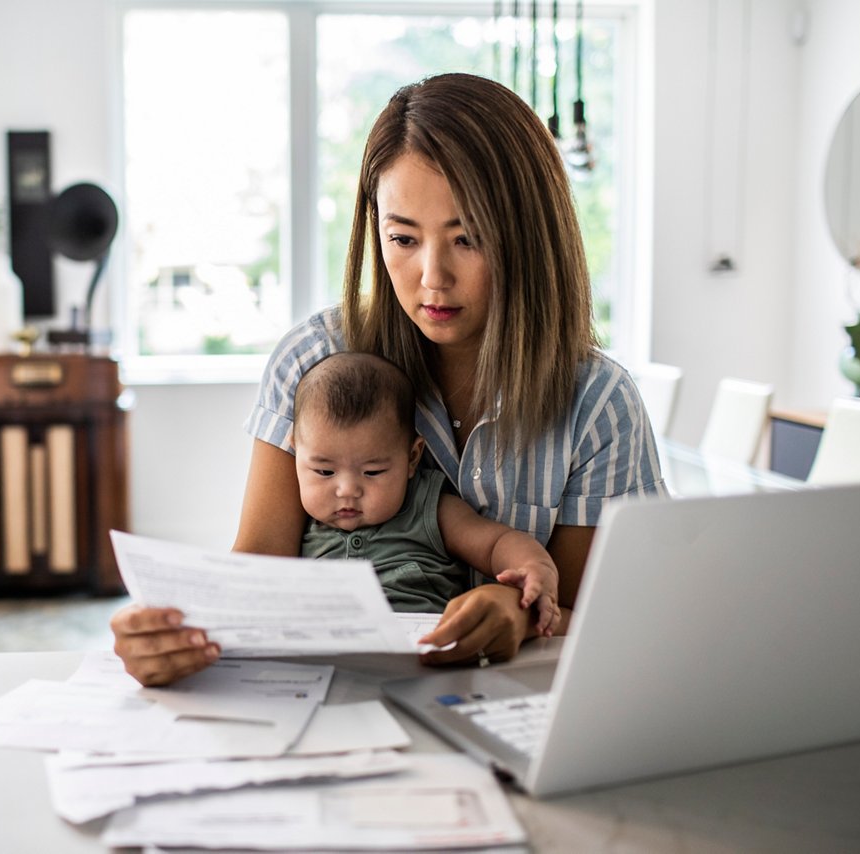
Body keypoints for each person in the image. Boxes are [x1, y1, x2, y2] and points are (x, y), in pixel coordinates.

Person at [112, 72, 665, 686]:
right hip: (327, 695)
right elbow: (258, 570)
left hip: (517, 704)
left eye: (469, 238)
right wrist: (176, 638)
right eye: (402, 237)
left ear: (529, 237)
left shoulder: (598, 403)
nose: (432, 276)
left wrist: (517, 608)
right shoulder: (315, 358)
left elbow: (587, 615)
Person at [292, 351, 559, 632]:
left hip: (423, 647)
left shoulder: (428, 506)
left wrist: (534, 565)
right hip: (322, 650)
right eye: (324, 472)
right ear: (296, 454)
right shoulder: (297, 525)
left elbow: (495, 543)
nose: (347, 491)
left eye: (373, 472)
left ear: (412, 457)